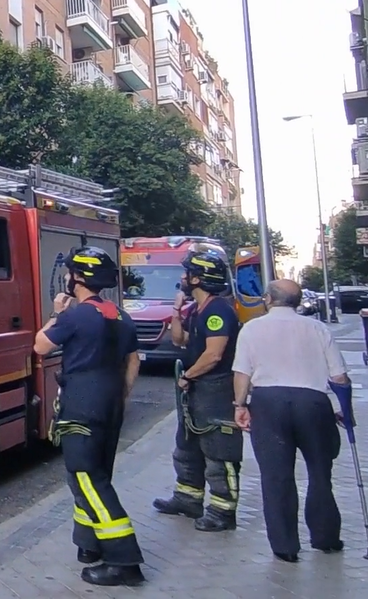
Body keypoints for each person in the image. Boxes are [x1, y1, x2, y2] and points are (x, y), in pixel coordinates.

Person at [34, 246, 145, 587]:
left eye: (70, 273)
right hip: (111, 406)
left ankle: (123, 560)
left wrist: (55, 313)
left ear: (78, 278)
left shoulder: (76, 315)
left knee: (87, 480)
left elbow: (40, 346)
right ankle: (89, 544)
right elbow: (133, 361)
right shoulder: (121, 316)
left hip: (82, 407)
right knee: (95, 476)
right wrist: (120, 396)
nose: (68, 278)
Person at [233, 279, 350, 562]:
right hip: (313, 403)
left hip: (268, 404)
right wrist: (343, 409)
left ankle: (285, 546)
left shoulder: (252, 329)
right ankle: (325, 538)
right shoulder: (318, 329)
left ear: (268, 300)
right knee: (321, 474)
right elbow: (339, 377)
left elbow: (241, 373)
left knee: (276, 477)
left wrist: (240, 405)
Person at [152, 249, 244, 532]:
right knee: (188, 444)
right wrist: (177, 312)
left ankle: (222, 511)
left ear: (199, 278)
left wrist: (188, 376)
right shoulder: (198, 309)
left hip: (214, 388)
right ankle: (187, 499)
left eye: (187, 273)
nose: (182, 277)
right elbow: (181, 340)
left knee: (218, 450)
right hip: (197, 390)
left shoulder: (218, 310)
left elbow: (214, 354)